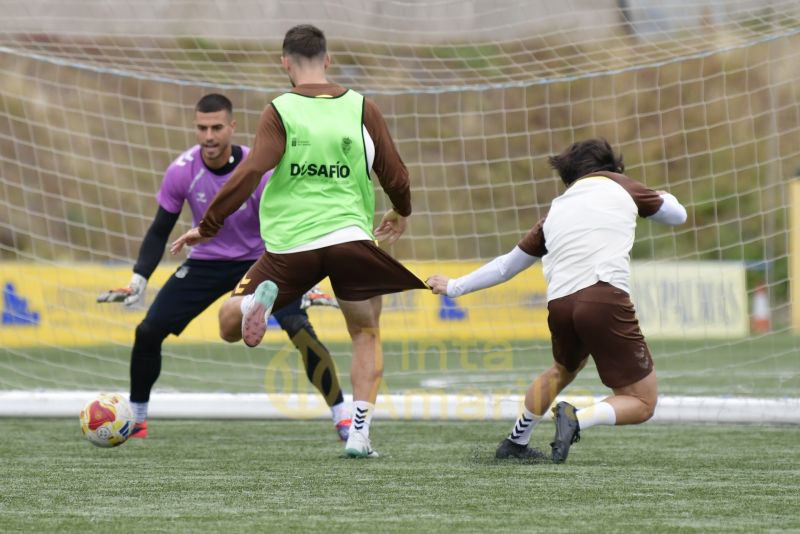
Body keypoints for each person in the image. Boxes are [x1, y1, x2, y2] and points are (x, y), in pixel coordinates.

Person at [171, 25, 427, 459]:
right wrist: (400, 210)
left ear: (285, 63)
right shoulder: (363, 108)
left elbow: (250, 173)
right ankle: (359, 434)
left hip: (292, 244)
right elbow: (395, 175)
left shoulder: (280, 109)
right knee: (366, 332)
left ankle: (254, 305)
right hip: (350, 237)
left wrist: (209, 225)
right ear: (327, 61)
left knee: (228, 324)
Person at [98, 93, 351, 441]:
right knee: (147, 331)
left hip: (262, 263)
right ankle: (137, 418)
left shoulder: (259, 169)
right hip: (205, 263)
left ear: (232, 127)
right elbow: (160, 230)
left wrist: (304, 280)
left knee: (299, 327)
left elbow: (292, 225)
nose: (209, 136)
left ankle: (343, 416)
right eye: (202, 128)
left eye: (217, 127)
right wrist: (139, 279)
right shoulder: (181, 171)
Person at [427, 138, 687, 463]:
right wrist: (661, 195)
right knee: (642, 402)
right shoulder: (622, 184)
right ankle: (578, 419)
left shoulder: (556, 210)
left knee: (561, 371)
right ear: (609, 167)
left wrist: (453, 286)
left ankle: (515, 443)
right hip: (603, 297)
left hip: (561, 305)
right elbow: (678, 216)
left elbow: (507, 266)